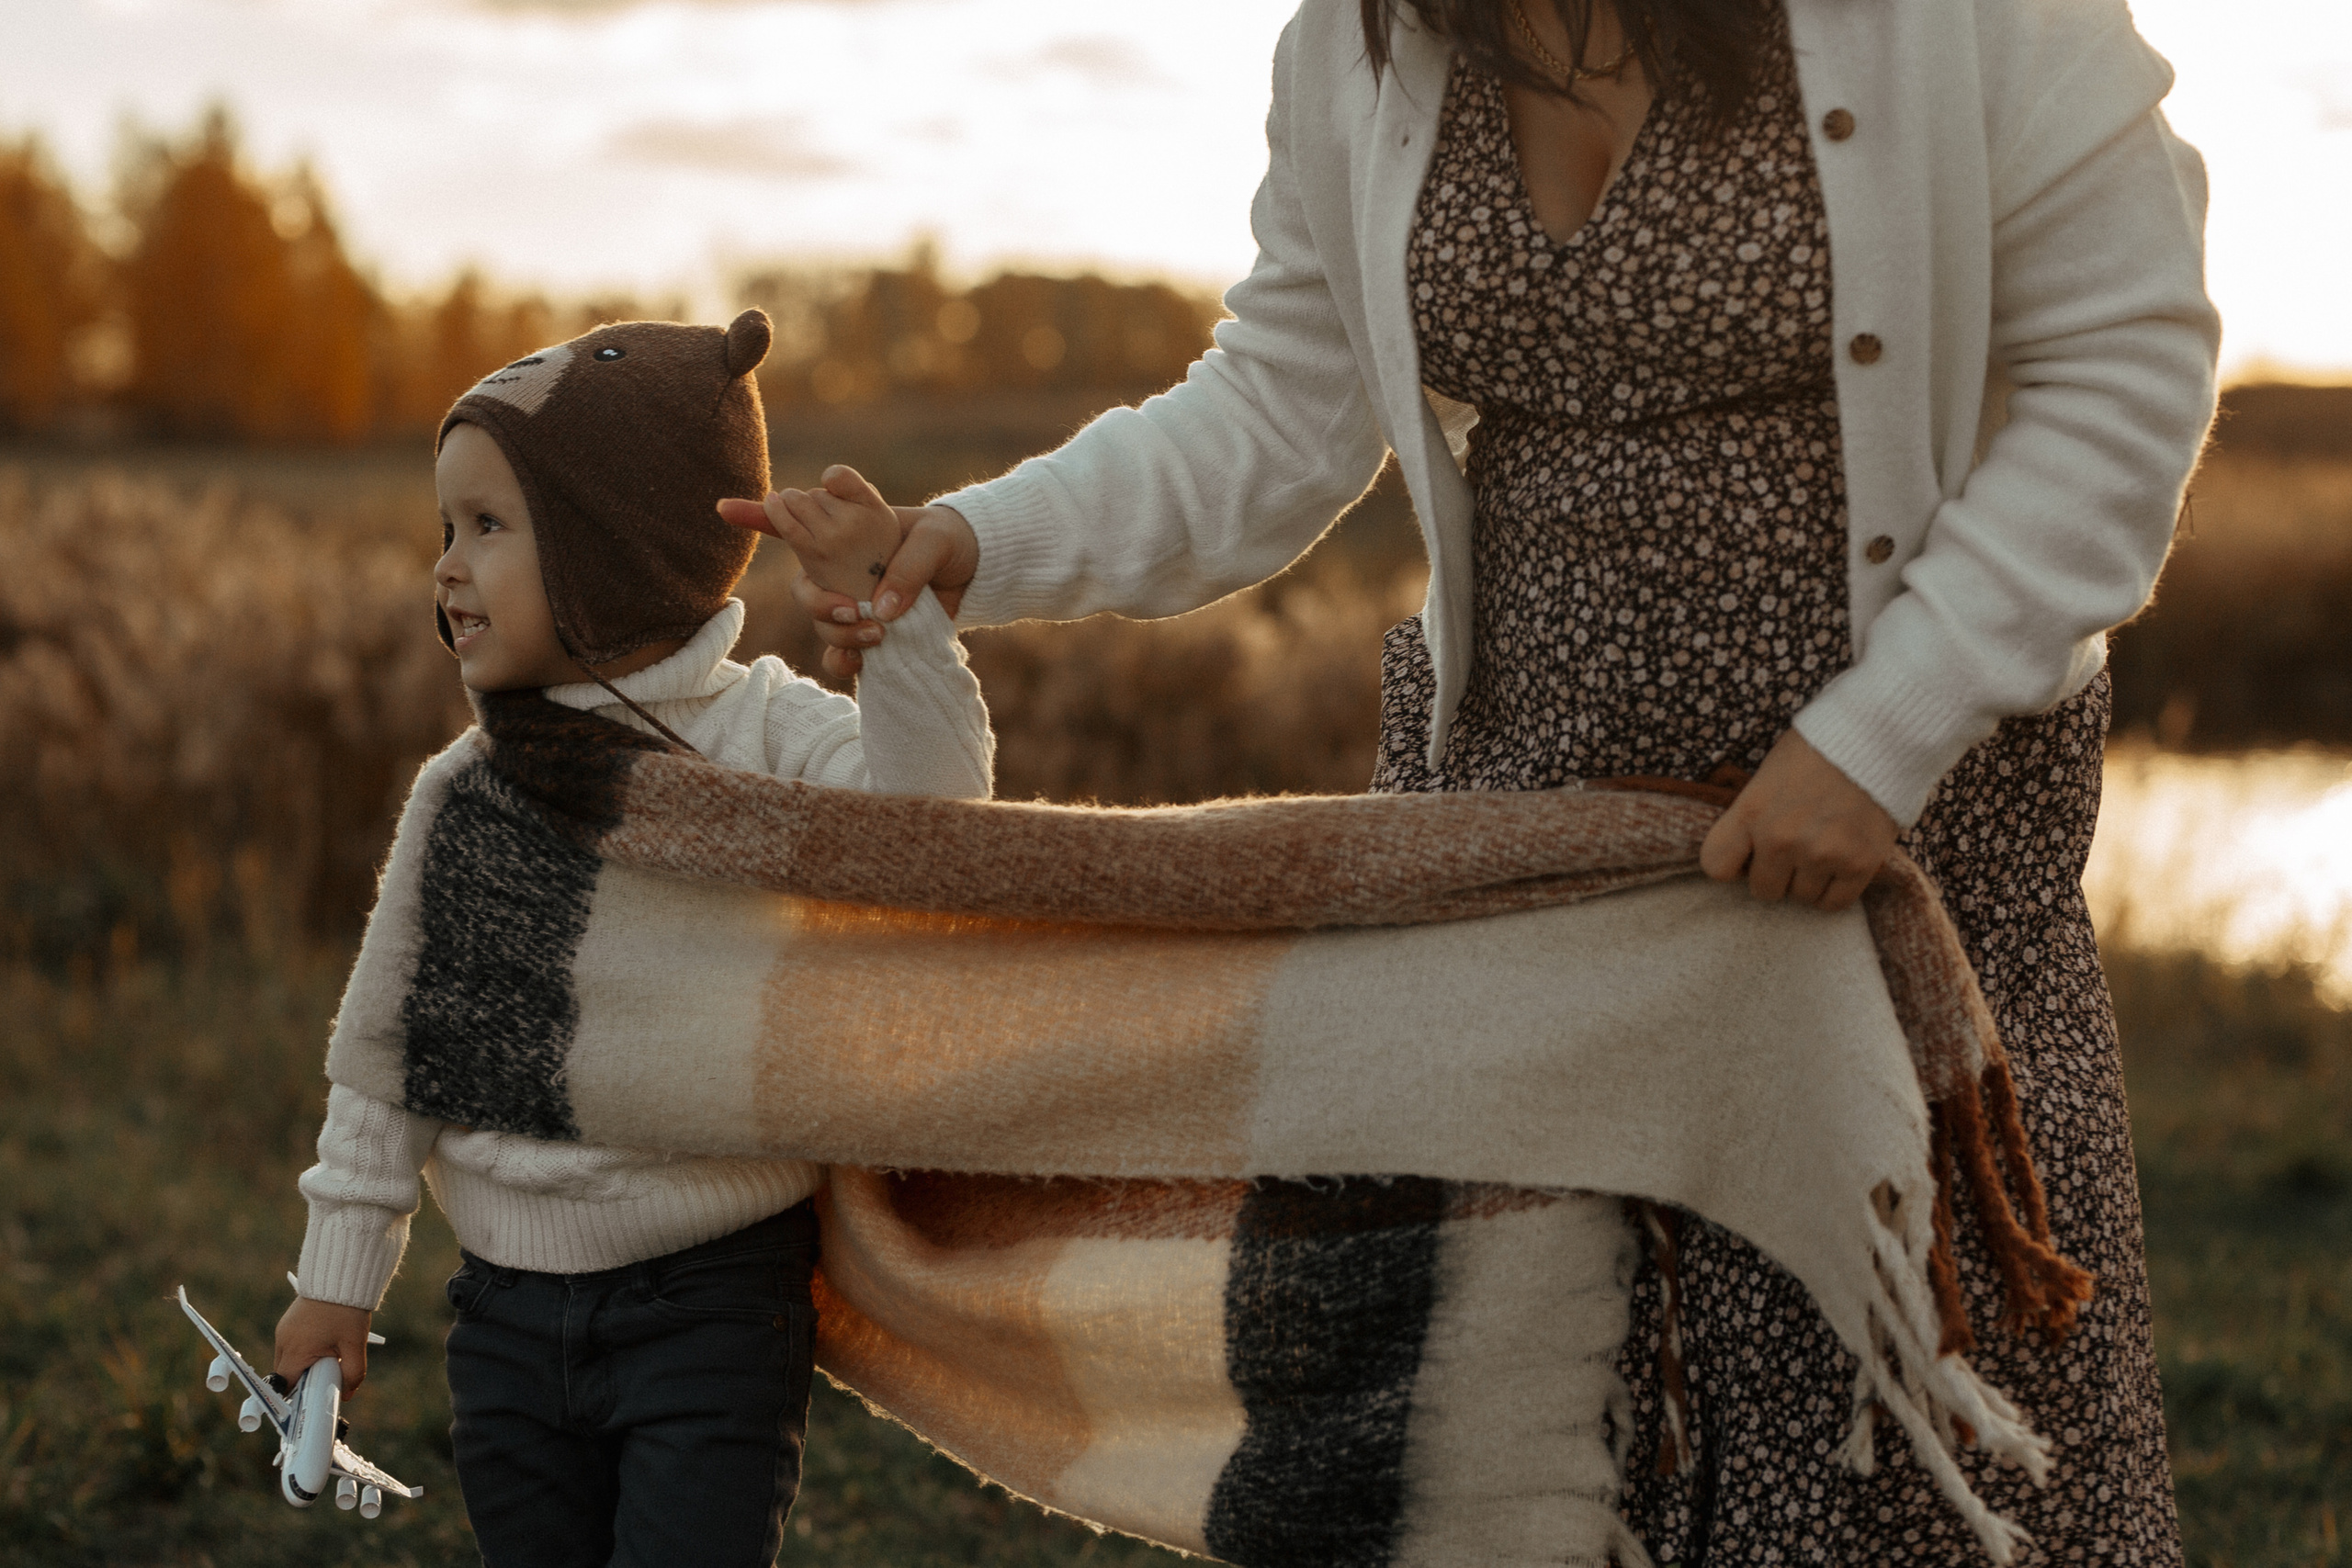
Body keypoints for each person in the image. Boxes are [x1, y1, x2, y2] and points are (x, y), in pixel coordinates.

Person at [750, 0, 2220, 1559]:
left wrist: (1882, 736)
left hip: (1883, 853)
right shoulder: (1355, 46)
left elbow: (2125, 361)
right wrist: (976, 541)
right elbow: (1275, 406)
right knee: (1532, 1433)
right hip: (1515, 855)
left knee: (1898, 1417)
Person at [276, 310, 994, 1567]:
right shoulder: (471, 792)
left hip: (712, 1298)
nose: (445, 567)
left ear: (619, 549)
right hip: (499, 1313)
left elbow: (936, 824)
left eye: (489, 527)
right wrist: (337, 1273)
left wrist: (901, 634)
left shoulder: (769, 740)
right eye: (446, 529)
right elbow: (393, 1048)